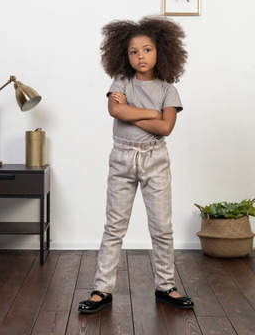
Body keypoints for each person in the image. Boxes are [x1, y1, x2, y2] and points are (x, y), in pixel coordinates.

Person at [78, 16, 194, 314]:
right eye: (133, 51)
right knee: (114, 226)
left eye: (147, 49)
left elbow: (166, 128)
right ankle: (102, 289)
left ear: (161, 52)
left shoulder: (169, 89)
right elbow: (114, 110)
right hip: (122, 157)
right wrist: (153, 114)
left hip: (155, 158)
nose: (140, 56)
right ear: (123, 55)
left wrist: (134, 111)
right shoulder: (121, 81)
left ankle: (166, 286)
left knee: (161, 226)